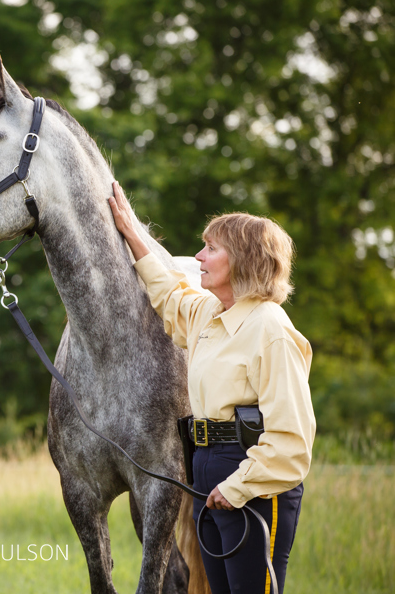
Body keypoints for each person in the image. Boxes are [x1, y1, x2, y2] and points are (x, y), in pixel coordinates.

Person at [108, 181, 315, 594]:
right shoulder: (210, 313)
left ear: (243, 259)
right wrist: (132, 233)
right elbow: (168, 292)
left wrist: (235, 487)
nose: (198, 257)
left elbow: (291, 444)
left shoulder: (270, 330)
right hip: (205, 468)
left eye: (211, 249)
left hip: (252, 478)